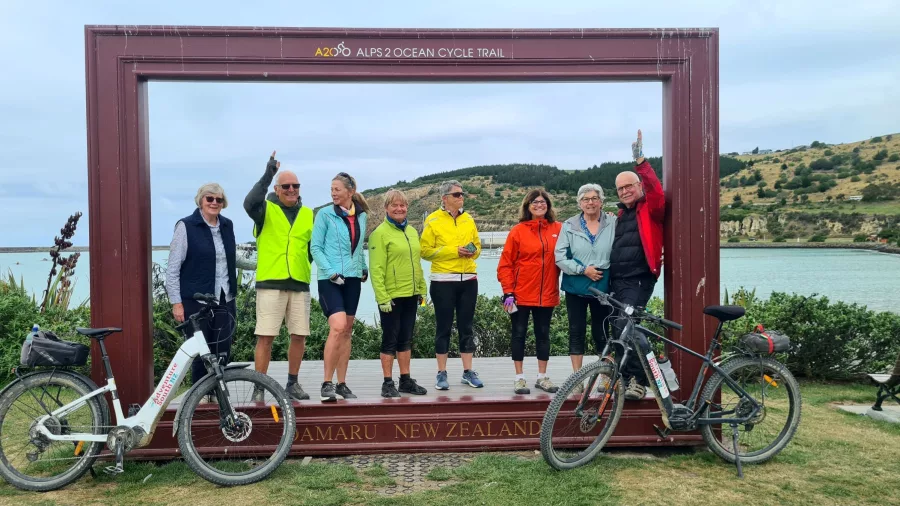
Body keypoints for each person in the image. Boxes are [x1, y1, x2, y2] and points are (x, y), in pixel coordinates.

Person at [243, 151, 315, 402]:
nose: (292, 189)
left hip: (299, 283)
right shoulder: (264, 210)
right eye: (286, 186)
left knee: (299, 335)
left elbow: (312, 247)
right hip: (270, 283)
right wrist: (268, 173)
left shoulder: (308, 214)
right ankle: (260, 386)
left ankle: (292, 383)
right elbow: (249, 202)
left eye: (295, 185)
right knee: (266, 337)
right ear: (277, 188)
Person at [166, 183, 246, 388]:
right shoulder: (186, 226)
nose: (214, 203)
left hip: (224, 297)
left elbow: (230, 258)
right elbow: (173, 267)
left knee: (222, 350)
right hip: (196, 300)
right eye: (209, 198)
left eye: (219, 200)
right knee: (201, 352)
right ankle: (200, 398)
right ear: (201, 200)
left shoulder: (227, 225)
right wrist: (176, 302)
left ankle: (219, 394)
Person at [610, 129, 666, 400]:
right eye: (620, 188)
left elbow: (656, 189)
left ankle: (639, 381)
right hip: (616, 281)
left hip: (639, 278)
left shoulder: (650, 208)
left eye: (629, 185)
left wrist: (641, 161)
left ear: (639, 186)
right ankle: (622, 375)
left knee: (627, 328)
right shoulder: (620, 215)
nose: (624, 191)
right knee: (615, 328)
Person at [310, 172, 369, 402]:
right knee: (337, 326)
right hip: (329, 278)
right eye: (331, 189)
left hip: (353, 279)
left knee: (346, 331)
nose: (333, 193)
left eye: (337, 189)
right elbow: (316, 248)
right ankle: (327, 383)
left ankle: (342, 383)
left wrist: (363, 267)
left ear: (350, 191)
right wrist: (331, 271)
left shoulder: (362, 216)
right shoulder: (324, 215)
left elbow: (359, 246)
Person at [497, 189, 563, 395]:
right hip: (520, 295)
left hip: (547, 294)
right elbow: (505, 264)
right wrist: (508, 292)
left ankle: (542, 377)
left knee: (543, 335)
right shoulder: (518, 231)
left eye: (543, 201)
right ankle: (519, 378)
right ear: (527, 206)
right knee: (518, 335)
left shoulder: (559, 229)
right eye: (534, 202)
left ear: (548, 205)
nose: (539, 204)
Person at [421, 180, 483, 390]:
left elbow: (478, 244)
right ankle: (441, 373)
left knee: (467, 327)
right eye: (457, 195)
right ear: (444, 198)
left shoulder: (469, 219)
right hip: (443, 282)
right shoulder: (433, 220)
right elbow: (425, 251)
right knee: (443, 328)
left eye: (462, 194)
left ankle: (467, 372)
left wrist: (473, 250)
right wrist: (453, 251)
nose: (461, 197)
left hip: (468, 280)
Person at [555, 183, 617, 394]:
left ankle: (606, 377)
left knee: (602, 332)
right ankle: (577, 378)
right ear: (579, 203)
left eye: (594, 198)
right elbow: (560, 257)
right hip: (576, 286)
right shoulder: (569, 225)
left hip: (603, 284)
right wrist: (583, 270)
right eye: (585, 199)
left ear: (601, 201)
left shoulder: (613, 222)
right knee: (576, 331)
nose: (590, 202)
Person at [368, 189, 429, 397]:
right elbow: (376, 270)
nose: (399, 208)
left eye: (402, 205)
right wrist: (382, 297)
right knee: (390, 340)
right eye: (394, 205)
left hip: (411, 294)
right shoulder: (379, 234)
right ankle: (387, 383)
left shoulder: (412, 232)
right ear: (386, 208)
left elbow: (416, 263)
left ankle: (405, 380)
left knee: (406, 339)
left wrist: (422, 288)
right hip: (391, 297)